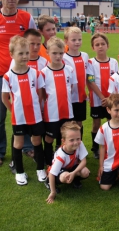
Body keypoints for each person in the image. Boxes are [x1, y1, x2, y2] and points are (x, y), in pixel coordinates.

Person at [0, 0, 36, 166]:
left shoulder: (26, 17)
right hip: (1, 74)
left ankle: (28, 146)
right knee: (0, 114)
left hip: (22, 73)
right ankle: (0, 151)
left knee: (27, 110)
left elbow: (34, 41)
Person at [2, 36, 46, 185]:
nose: (25, 56)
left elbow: (40, 94)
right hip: (19, 118)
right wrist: (14, 111)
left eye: (26, 53)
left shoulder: (35, 73)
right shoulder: (8, 77)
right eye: (20, 53)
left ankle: (41, 169)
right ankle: (20, 172)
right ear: (12, 55)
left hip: (35, 116)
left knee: (36, 141)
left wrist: (37, 108)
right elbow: (4, 98)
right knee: (18, 144)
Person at [41, 37, 77, 166]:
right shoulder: (44, 73)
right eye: (54, 53)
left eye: (61, 53)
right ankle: (49, 162)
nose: (58, 56)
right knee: (49, 138)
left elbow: (71, 88)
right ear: (48, 53)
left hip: (67, 112)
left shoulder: (69, 70)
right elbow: (42, 93)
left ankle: (66, 161)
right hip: (52, 113)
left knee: (67, 138)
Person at [87, 33, 119, 159]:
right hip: (97, 100)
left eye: (103, 44)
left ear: (107, 46)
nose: (100, 46)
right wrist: (102, 98)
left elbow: (116, 80)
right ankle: (95, 148)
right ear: (93, 48)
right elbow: (91, 80)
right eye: (97, 44)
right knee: (96, 124)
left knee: (111, 123)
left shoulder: (114, 62)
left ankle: (110, 145)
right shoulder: (90, 62)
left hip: (111, 100)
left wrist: (110, 98)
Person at [45, 121, 90, 203]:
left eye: (78, 139)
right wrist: (53, 192)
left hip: (71, 169)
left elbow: (83, 161)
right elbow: (52, 173)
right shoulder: (61, 155)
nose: (76, 142)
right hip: (58, 172)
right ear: (63, 141)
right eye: (71, 140)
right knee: (64, 176)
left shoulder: (80, 144)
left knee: (85, 172)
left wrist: (73, 173)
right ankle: (49, 183)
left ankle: (75, 180)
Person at [63, 27, 89, 137]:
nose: (77, 42)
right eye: (73, 40)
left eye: (79, 39)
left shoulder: (85, 56)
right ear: (66, 41)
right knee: (67, 124)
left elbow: (89, 76)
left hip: (81, 97)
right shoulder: (63, 57)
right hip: (67, 98)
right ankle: (62, 147)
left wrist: (91, 90)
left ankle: (78, 146)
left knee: (79, 123)